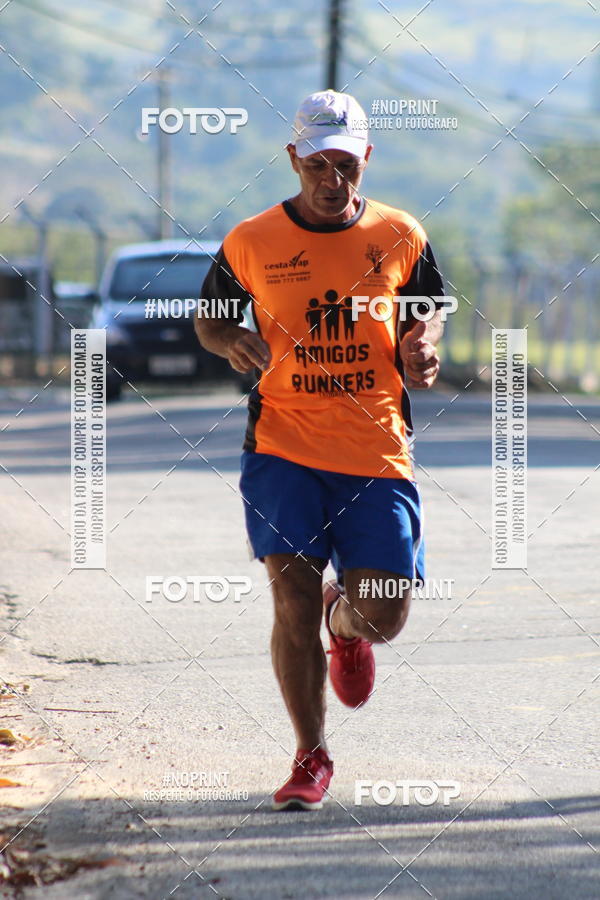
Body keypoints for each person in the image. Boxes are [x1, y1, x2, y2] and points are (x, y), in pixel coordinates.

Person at [195, 90, 445, 811]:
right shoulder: (251, 240)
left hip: (375, 448)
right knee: (291, 603)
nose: (332, 180)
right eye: (317, 165)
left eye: (346, 165)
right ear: (293, 159)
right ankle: (311, 754)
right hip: (282, 447)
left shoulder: (400, 234)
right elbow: (209, 320)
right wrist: (230, 339)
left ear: (367, 158)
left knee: (385, 613)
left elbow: (426, 311)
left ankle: (348, 623)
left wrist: (421, 347)